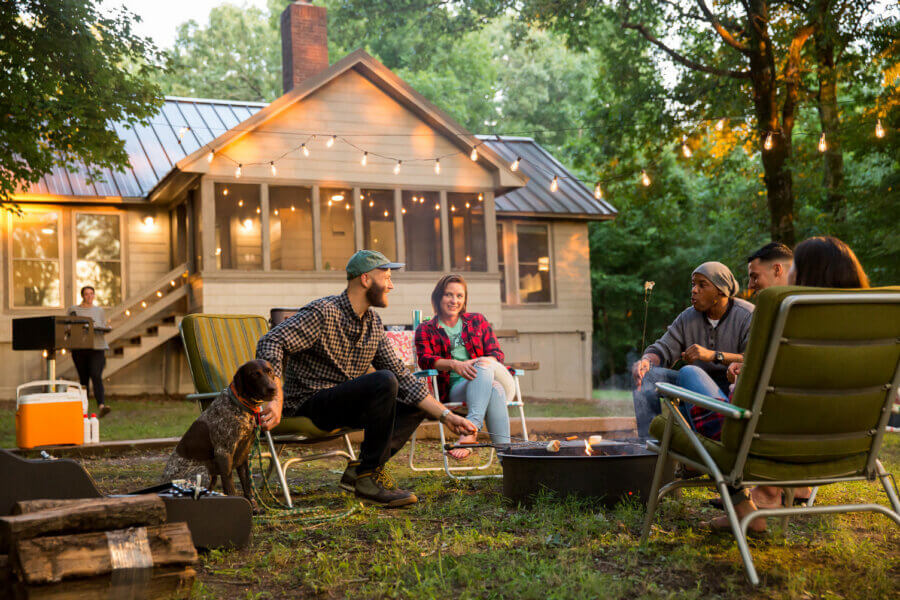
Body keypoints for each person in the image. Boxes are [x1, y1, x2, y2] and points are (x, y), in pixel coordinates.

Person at [255, 250, 476, 507]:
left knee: (414, 401)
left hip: (343, 405)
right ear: (366, 279)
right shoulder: (323, 312)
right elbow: (272, 341)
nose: (391, 285)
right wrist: (275, 396)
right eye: (387, 277)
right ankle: (369, 478)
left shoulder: (372, 324)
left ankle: (362, 471)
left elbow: (403, 378)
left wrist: (448, 418)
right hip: (309, 403)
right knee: (383, 380)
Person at [692, 236, 869, 532]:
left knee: (689, 378)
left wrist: (740, 378)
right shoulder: (872, 322)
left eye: (795, 266)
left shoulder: (786, 316)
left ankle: (748, 508)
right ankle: (768, 496)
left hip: (769, 443)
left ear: (807, 274)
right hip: (849, 443)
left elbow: (755, 396)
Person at [631, 262, 754, 438]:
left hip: (732, 389)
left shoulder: (747, 315)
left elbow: (754, 358)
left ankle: (711, 437)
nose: (694, 290)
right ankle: (649, 445)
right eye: (693, 284)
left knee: (689, 372)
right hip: (691, 384)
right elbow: (663, 348)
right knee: (646, 376)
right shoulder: (687, 317)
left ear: (721, 290)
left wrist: (713, 355)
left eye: (702, 285)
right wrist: (647, 361)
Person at [415, 274, 512, 460]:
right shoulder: (426, 328)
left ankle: (472, 431)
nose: (454, 300)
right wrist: (455, 365)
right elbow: (426, 360)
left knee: (486, 371)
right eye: (448, 295)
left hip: (484, 378)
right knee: (492, 385)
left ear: (465, 299)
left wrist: (477, 362)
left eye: (459, 296)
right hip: (454, 390)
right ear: (438, 297)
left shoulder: (477, 321)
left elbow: (496, 355)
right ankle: (506, 459)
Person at [68, 286, 111, 417]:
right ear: (82, 296)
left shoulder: (99, 311)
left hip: (97, 347)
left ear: (94, 295)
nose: (89, 296)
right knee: (83, 379)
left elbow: (102, 326)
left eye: (91, 294)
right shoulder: (74, 310)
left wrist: (105, 328)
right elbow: (69, 326)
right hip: (80, 348)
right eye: (87, 294)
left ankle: (102, 405)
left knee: (96, 374)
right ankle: (83, 410)